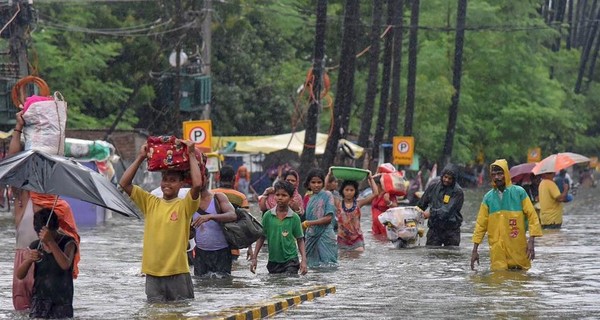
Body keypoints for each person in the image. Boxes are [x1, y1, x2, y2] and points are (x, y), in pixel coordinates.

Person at [9, 110, 80, 311]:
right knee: (24, 313)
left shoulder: (60, 206)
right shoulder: (24, 195)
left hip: (52, 268)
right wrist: (18, 128)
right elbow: (12, 163)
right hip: (26, 259)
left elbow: (68, 245)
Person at [119, 141, 202, 302]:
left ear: (181, 184)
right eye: (165, 179)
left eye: (172, 180)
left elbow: (197, 184)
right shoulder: (150, 202)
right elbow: (124, 183)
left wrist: (191, 154)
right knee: (155, 314)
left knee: (180, 313)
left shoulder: (184, 205)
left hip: (177, 273)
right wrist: (141, 157)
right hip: (152, 274)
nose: (167, 184)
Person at [470, 160, 543, 271]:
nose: (497, 177)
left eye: (500, 173)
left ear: (506, 174)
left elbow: (532, 216)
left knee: (521, 279)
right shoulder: (488, 198)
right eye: (494, 175)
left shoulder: (519, 193)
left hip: (517, 247)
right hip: (497, 250)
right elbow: (481, 225)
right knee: (499, 280)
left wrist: (531, 241)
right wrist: (475, 250)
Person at [16, 208, 77, 319]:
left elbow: (65, 265)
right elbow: (20, 275)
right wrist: (29, 259)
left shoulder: (68, 243)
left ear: (57, 228)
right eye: (41, 235)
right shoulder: (36, 245)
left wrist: (51, 241)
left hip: (62, 301)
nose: (44, 239)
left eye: (48, 235)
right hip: (39, 298)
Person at [250, 180, 307, 275]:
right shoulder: (268, 216)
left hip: (291, 260)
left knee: (289, 283)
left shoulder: (294, 217)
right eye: (277, 195)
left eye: (284, 195)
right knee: (275, 286)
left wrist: (304, 260)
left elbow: (300, 239)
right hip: (273, 261)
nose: (280, 198)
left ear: (291, 198)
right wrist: (254, 258)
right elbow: (261, 237)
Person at [191, 164, 237, 278]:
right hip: (200, 253)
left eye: (201, 177)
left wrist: (211, 216)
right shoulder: (189, 201)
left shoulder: (218, 197)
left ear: (207, 178)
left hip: (222, 252)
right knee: (201, 287)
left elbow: (232, 215)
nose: (198, 181)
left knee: (222, 289)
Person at [211, 164, 252, 262]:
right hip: (233, 247)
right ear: (234, 178)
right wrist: (250, 248)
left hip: (210, 245)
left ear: (218, 178)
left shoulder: (209, 194)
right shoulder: (241, 197)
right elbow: (247, 224)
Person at [417, 164, 464, 246]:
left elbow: (446, 211)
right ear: (442, 176)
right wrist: (413, 214)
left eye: (450, 178)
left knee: (451, 256)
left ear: (454, 179)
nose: (446, 180)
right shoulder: (433, 186)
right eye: (445, 177)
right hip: (434, 230)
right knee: (431, 255)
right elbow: (421, 205)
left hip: (451, 231)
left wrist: (430, 213)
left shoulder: (458, 192)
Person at [302, 168, 338, 267]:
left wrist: (308, 223)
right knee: (311, 266)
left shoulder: (327, 195)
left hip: (325, 235)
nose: (316, 185)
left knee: (329, 266)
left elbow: (328, 218)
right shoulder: (309, 199)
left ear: (323, 183)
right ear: (308, 184)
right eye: (313, 182)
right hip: (311, 236)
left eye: (319, 182)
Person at [336, 171, 379, 251]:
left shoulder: (359, 203)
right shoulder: (338, 203)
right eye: (347, 190)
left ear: (355, 191)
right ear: (342, 191)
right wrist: (329, 174)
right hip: (342, 240)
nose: (349, 192)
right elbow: (326, 191)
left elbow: (375, 193)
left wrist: (370, 178)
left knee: (359, 256)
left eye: (351, 190)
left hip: (357, 240)